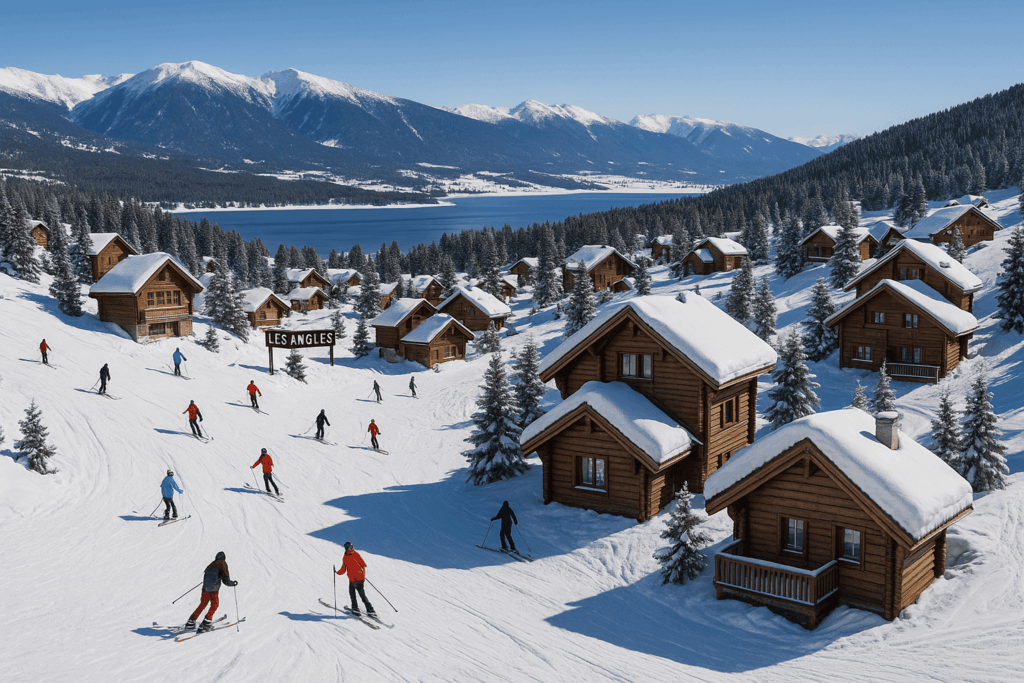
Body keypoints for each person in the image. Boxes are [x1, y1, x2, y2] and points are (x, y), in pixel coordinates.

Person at [185, 551, 238, 633]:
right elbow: (226, 580)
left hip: (205, 588)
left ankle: (191, 621)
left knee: (202, 604)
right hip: (213, 590)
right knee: (214, 605)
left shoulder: (211, 564)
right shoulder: (223, 564)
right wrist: (233, 583)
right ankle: (205, 624)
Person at [336, 541, 375, 617]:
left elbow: (363, 565)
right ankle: (357, 609)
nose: (349, 549)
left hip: (358, 579)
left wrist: (362, 576)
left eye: (350, 547)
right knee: (353, 594)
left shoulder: (356, 555)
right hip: (352, 579)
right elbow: (343, 569)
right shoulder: (345, 557)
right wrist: (337, 572)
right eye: (347, 547)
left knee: (360, 595)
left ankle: (369, 610)